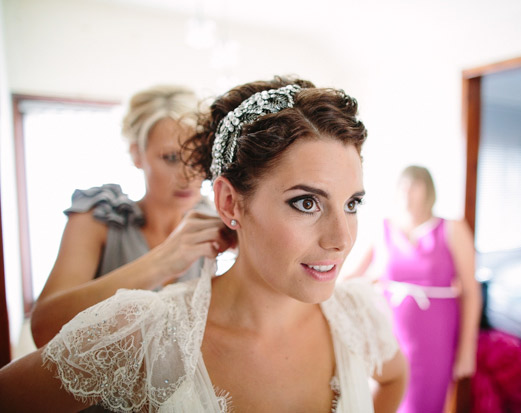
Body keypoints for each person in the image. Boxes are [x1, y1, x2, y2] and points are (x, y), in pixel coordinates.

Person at [0, 76, 409, 412]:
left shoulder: (357, 316)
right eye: (306, 203)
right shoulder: (147, 332)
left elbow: (395, 376)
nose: (342, 240)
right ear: (230, 202)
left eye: (353, 203)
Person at [30, 85, 235, 348]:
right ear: (137, 154)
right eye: (171, 157)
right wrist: (163, 261)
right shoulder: (99, 218)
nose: (189, 176)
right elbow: (44, 330)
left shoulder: (220, 221)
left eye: (198, 159)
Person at [350, 165, 481, 412]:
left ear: (428, 191)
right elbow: (355, 276)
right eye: (403, 185)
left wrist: (467, 349)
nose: (407, 192)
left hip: (435, 338)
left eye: (415, 185)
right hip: (389, 333)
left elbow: (471, 292)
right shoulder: (383, 228)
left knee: (424, 402)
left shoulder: (451, 228)